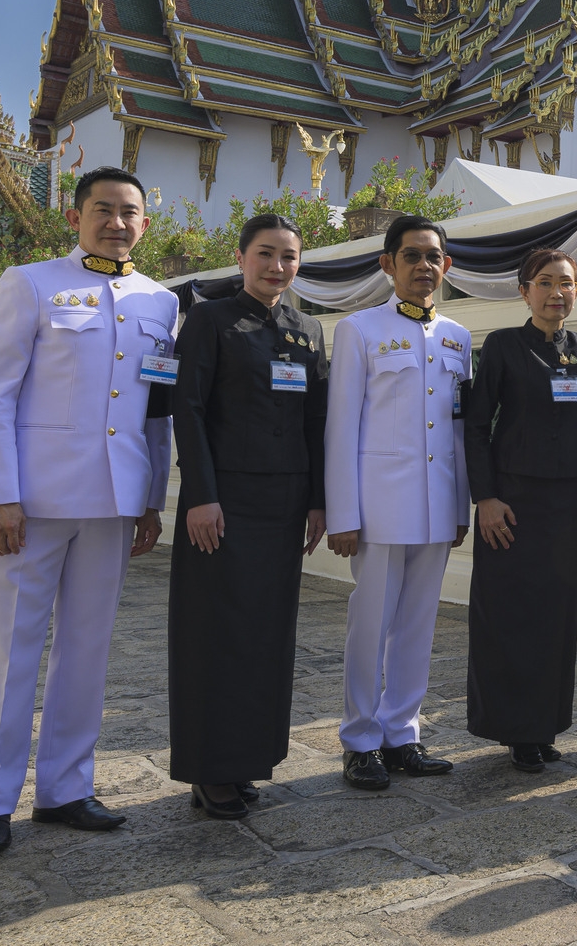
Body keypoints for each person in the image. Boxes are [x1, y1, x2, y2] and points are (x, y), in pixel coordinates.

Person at [0, 167, 176, 856]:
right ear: (75, 216)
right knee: (9, 649)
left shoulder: (163, 303)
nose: (117, 222)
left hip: (114, 501)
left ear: (145, 223)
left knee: (87, 649)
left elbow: (156, 410)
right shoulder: (31, 283)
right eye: (103, 210)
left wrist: (151, 497)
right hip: (34, 501)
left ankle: (66, 789)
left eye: (129, 212)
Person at [167, 214, 328, 819]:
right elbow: (189, 409)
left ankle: (248, 759)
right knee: (217, 632)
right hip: (223, 503)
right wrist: (201, 495)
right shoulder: (210, 320)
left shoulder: (306, 328)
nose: (277, 266)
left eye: (289, 256)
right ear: (241, 258)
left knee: (266, 634)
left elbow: (316, 420)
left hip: (283, 506)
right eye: (265, 254)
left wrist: (318, 500)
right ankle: (210, 768)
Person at [325, 215, 470, 790]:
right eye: (411, 256)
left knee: (418, 624)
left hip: (436, 506)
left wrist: (460, 508)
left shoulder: (457, 336)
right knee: (371, 625)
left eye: (433, 257)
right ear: (388, 264)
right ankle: (360, 738)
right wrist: (343, 513)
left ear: (447, 265)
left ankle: (401, 731)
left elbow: (457, 430)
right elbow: (342, 428)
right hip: (379, 507)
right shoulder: (359, 330)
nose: (423, 267)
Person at [464, 249, 577, 773]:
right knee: (508, 615)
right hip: (511, 504)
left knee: (555, 616)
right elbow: (476, 426)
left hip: (565, 503)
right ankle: (514, 727)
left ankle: (545, 724)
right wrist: (486, 497)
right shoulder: (502, 346)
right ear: (524, 292)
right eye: (544, 283)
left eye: (566, 284)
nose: (556, 293)